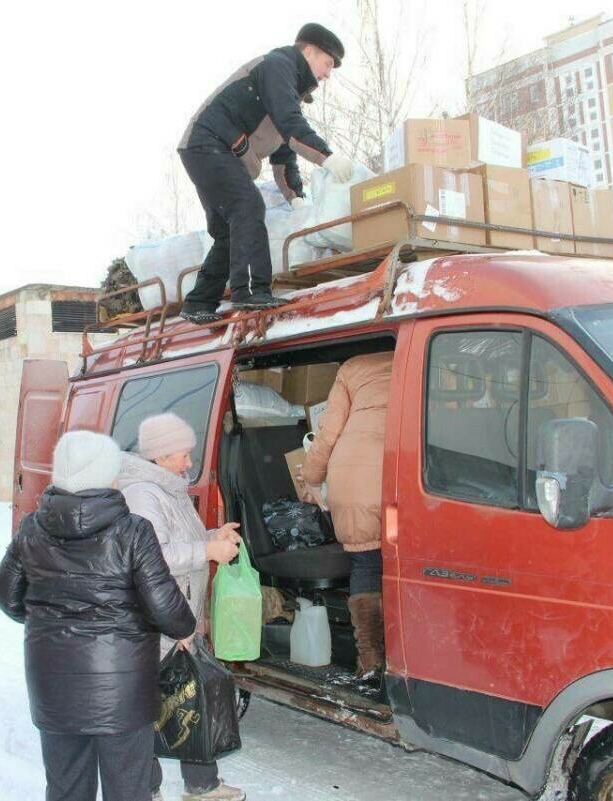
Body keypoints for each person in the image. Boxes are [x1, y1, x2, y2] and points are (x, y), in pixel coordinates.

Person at [0, 430, 197, 801]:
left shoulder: (32, 530)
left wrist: (46, 620)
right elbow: (163, 603)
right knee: (128, 789)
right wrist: (185, 628)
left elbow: (5, 594)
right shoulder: (133, 531)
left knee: (66, 787)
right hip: (121, 689)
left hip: (54, 684)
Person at [177, 23, 354, 324]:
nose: (327, 74)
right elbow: (291, 125)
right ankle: (249, 291)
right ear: (309, 51)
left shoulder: (286, 88)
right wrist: (328, 158)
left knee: (228, 231)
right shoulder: (278, 66)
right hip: (209, 143)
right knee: (248, 207)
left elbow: (285, 152)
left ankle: (198, 303)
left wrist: (296, 197)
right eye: (327, 64)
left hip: (210, 149)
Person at [115, 413, 246, 801]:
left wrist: (211, 535)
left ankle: (202, 785)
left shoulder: (168, 487)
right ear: (159, 456)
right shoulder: (143, 493)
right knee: (153, 705)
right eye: (183, 454)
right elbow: (152, 558)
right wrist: (208, 550)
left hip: (181, 613)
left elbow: (178, 540)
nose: (190, 462)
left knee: (192, 696)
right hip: (161, 619)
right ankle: (148, 788)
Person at [298, 352, 392, 678]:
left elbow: (329, 432)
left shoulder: (352, 367)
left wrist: (310, 477)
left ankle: (372, 661)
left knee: (366, 563)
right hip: (407, 469)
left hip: (355, 475)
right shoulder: (421, 350)